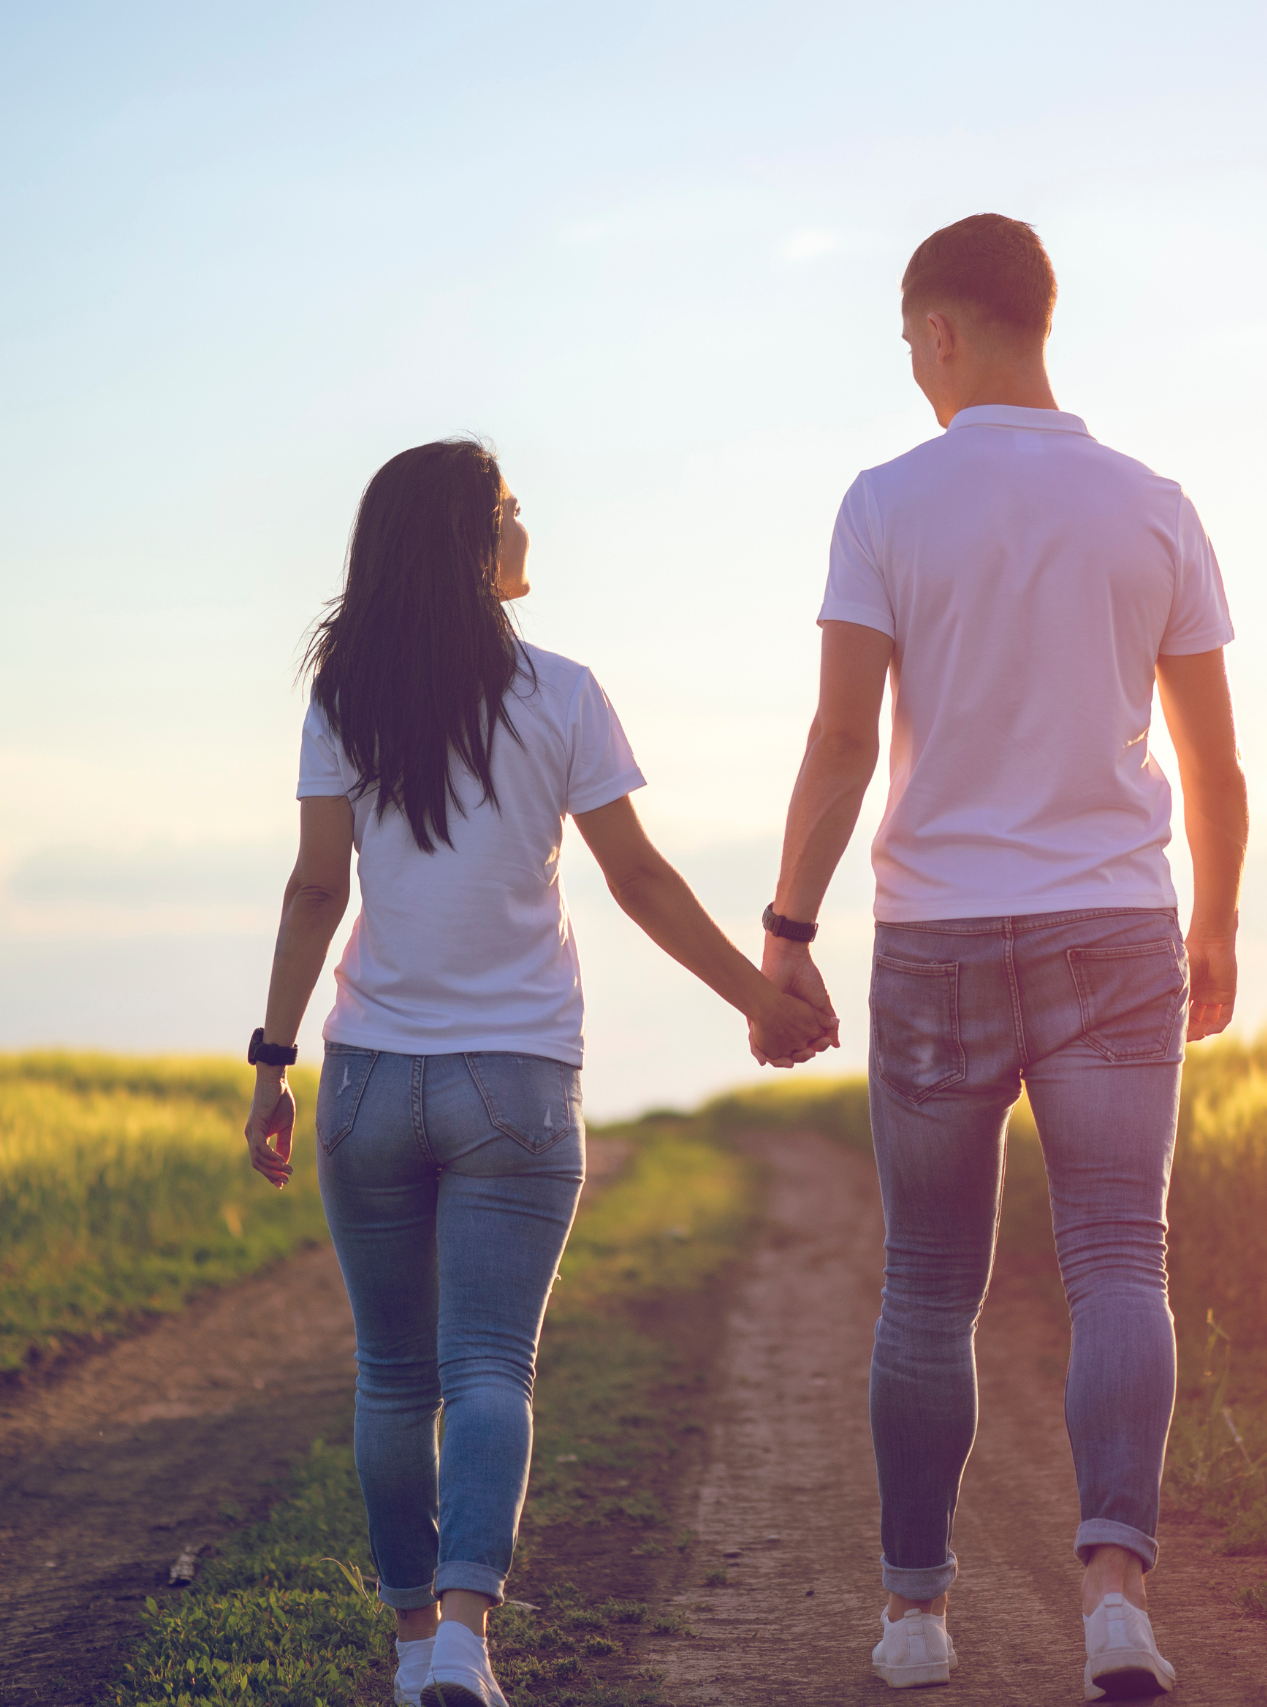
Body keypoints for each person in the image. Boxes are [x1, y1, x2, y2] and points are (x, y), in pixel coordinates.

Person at [242, 439, 834, 1707]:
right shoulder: (562, 693)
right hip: (513, 1083)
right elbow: (639, 881)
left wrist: (273, 1060)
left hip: (368, 1081)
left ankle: (410, 1657)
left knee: (393, 1377)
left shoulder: (344, 698)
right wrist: (761, 997)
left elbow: (312, 889)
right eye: (508, 511)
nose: (526, 527)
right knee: (490, 1369)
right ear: (468, 544)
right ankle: (465, 1639)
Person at [761, 214, 1248, 1698]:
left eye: (913, 341)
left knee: (926, 1280)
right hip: (1112, 925)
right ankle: (1115, 1597)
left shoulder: (887, 502)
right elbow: (1215, 766)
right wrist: (1212, 922)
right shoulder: (1152, 503)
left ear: (945, 331)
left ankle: (916, 1615)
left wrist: (786, 928)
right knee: (1119, 1260)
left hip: (939, 935)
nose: (913, 367)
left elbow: (848, 737)